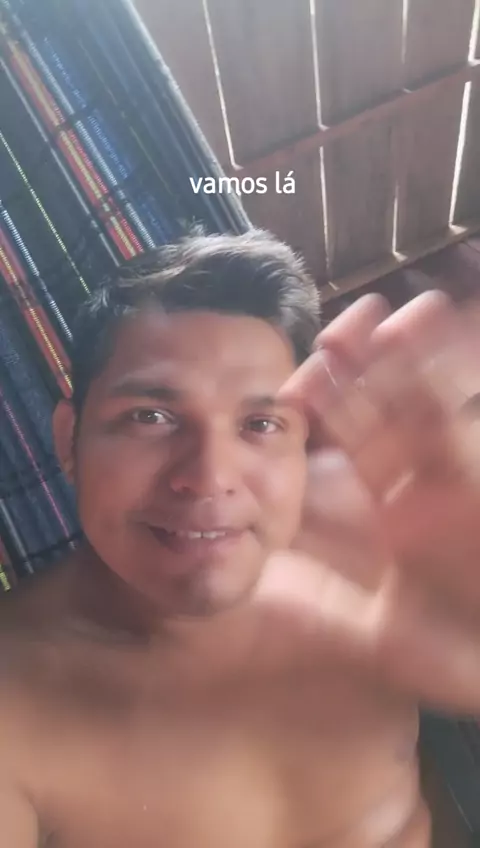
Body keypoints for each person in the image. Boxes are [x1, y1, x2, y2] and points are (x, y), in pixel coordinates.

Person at [0, 228, 478, 847]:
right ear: (69, 439)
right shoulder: (16, 697)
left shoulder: (389, 564)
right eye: (150, 416)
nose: (209, 477)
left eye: (260, 423)